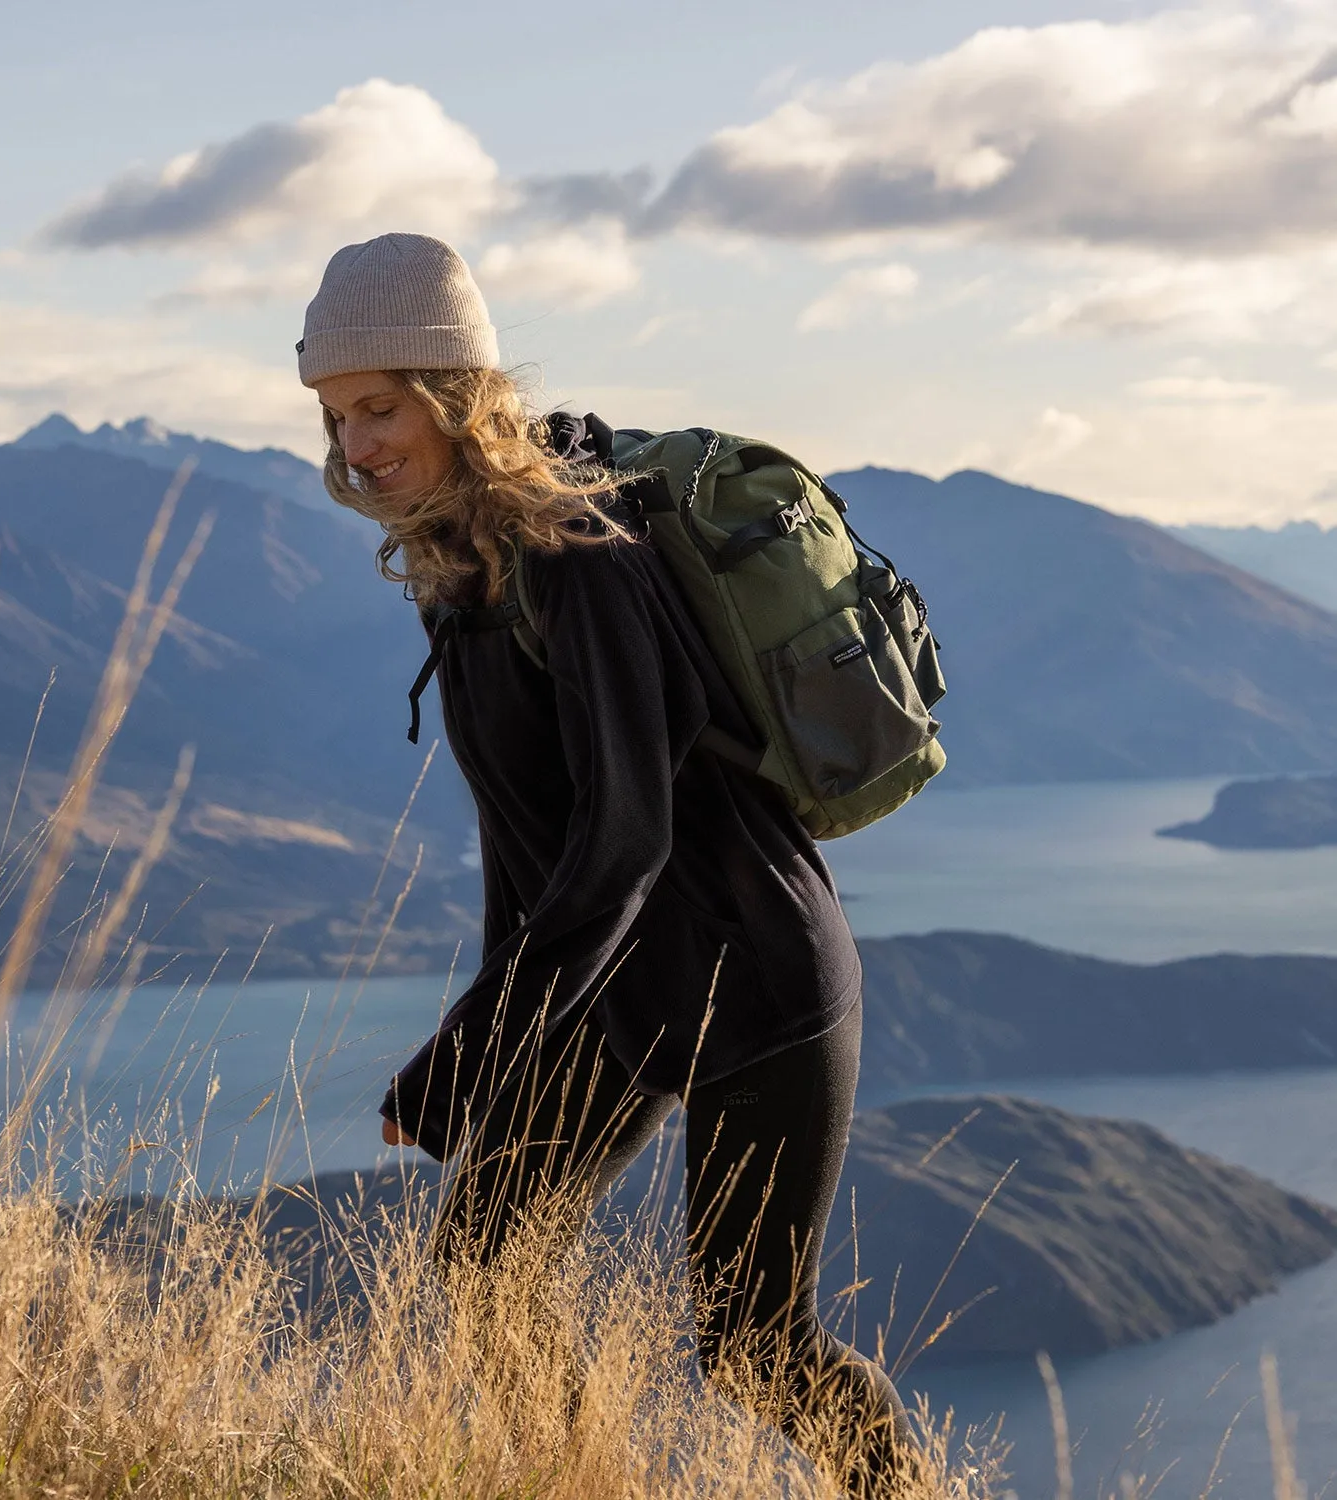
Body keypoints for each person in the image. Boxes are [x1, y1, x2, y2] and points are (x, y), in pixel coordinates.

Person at [297, 231, 920, 1494]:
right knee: (486, 1266)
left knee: (753, 1348)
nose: (358, 444)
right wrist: (496, 1029)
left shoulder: (579, 549)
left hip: (756, 986)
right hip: (616, 989)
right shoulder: (457, 562)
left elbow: (625, 838)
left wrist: (471, 1046)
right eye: (335, 413)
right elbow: (524, 842)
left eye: (380, 406)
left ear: (458, 394)